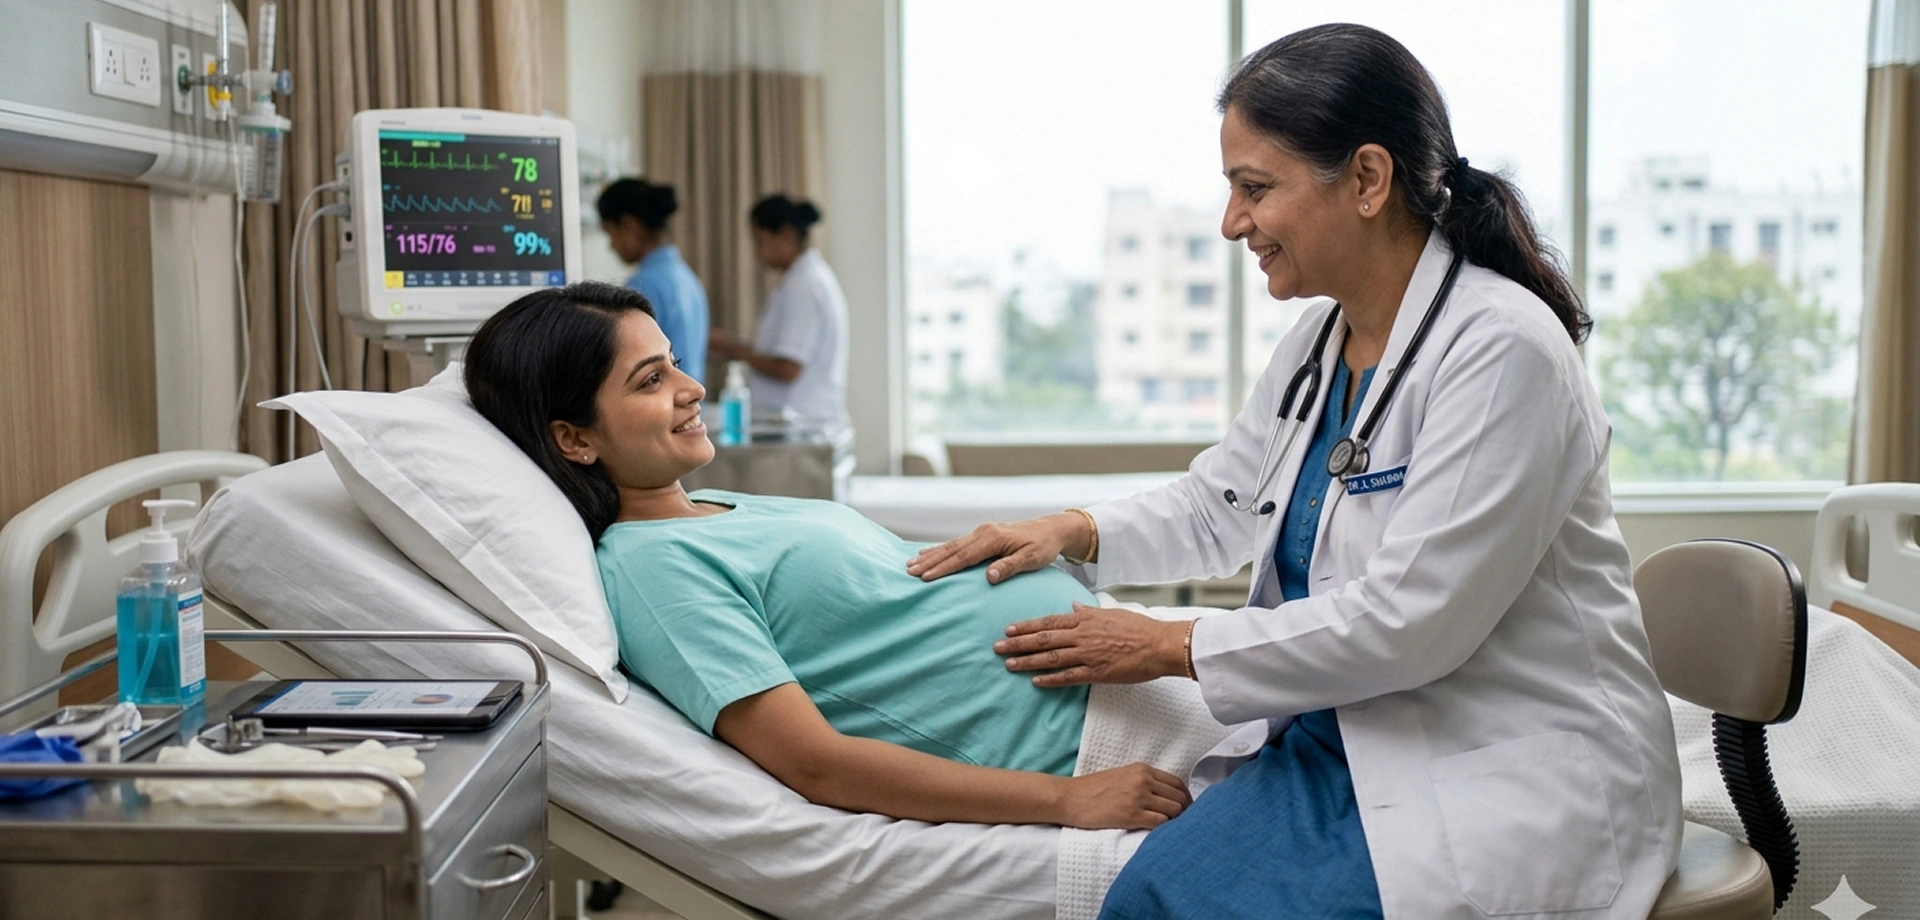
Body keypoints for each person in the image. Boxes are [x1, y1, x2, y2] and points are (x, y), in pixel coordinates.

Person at [908, 24, 1682, 920]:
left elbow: (1409, 624)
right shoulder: (1320, 344)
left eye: (1255, 188)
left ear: (1367, 179)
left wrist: (1165, 646)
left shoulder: (1503, 350)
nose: (1232, 222)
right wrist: (1071, 531)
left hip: (1494, 760)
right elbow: (1221, 504)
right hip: (1344, 735)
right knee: (1144, 895)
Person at [463, 280, 1189, 831]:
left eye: (675, 364)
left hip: (1124, 670)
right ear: (574, 439)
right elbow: (814, 762)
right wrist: (1066, 799)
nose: (693, 388)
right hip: (1081, 739)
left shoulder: (719, 508)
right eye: (650, 380)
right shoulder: (651, 568)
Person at [708, 194, 850, 428]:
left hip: (803, 426)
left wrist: (735, 348)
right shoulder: (802, 280)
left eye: (760, 241)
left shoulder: (804, 286)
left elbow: (788, 369)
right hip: (798, 424)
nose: (758, 253)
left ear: (786, 233)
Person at [598, 178, 709, 385]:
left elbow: (626, 362)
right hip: (689, 396)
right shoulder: (686, 277)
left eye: (610, 233)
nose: (611, 246)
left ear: (628, 225)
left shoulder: (643, 285)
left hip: (663, 399)